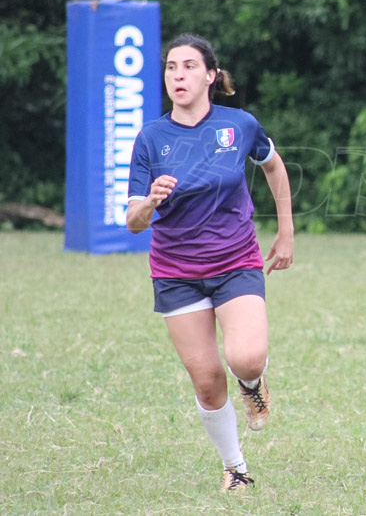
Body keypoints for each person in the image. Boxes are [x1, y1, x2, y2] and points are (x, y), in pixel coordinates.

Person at [126, 33, 294, 492]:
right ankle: (236, 468)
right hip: (176, 273)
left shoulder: (239, 125)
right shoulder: (151, 137)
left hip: (236, 261)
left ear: (210, 76)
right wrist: (151, 201)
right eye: (171, 68)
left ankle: (254, 383)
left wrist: (286, 230)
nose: (177, 75)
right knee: (205, 382)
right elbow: (133, 221)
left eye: (188, 66)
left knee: (246, 356)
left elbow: (274, 166)